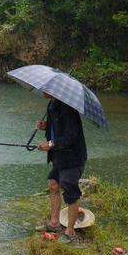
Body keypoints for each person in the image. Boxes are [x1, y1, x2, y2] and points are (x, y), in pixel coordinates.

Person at [35, 92, 87, 243]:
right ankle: (54, 223)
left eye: (45, 89)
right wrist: (46, 126)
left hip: (72, 157)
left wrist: (50, 145)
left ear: (53, 90)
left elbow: (71, 136)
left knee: (70, 191)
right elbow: (57, 129)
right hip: (59, 156)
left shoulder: (68, 108)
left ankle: (70, 232)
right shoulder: (52, 104)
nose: (42, 91)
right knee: (53, 183)